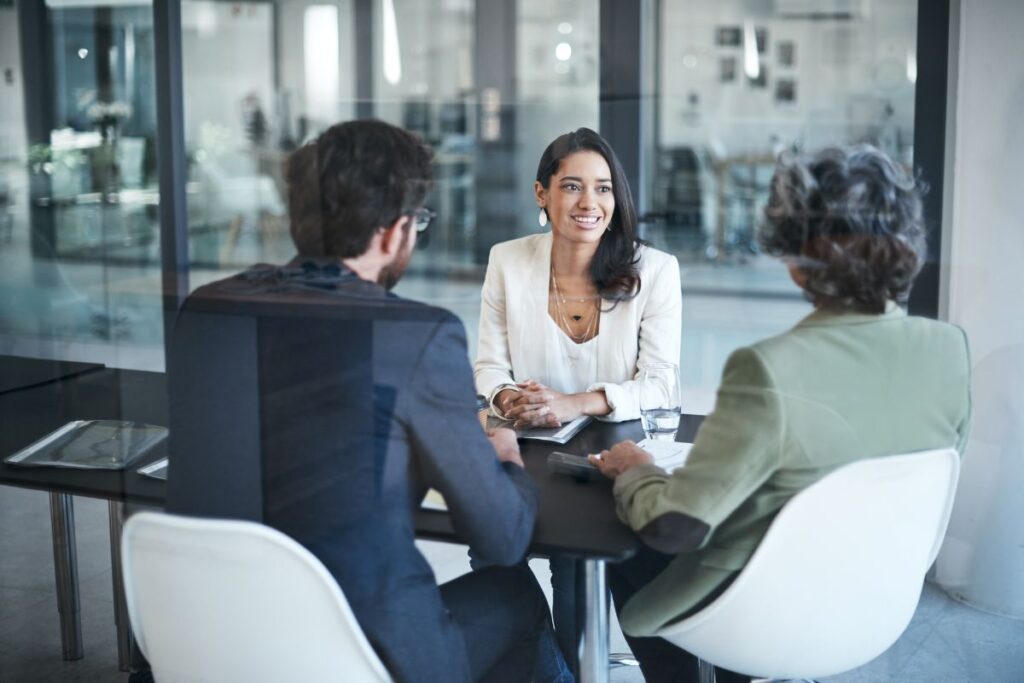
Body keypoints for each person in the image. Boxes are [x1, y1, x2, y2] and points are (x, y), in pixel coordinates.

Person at [164, 120, 552, 683]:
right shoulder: (416, 335)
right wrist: (504, 454)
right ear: (395, 233)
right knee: (516, 596)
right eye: (417, 222)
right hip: (360, 657)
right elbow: (503, 535)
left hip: (215, 640)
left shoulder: (208, 309)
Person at [589, 145, 972, 683]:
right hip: (875, 598)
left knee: (631, 548)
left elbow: (674, 527)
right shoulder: (949, 349)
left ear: (795, 263)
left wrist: (634, 468)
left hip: (760, 612)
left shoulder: (768, 369)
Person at [473, 127, 682, 673]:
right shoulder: (508, 260)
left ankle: (568, 668)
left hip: (608, 457)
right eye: (571, 186)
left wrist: (575, 402)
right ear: (541, 194)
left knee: (573, 559)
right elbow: (490, 366)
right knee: (489, 541)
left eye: (604, 188)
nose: (590, 203)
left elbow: (660, 386)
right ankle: (554, 670)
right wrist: (509, 395)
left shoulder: (655, 271)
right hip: (529, 447)